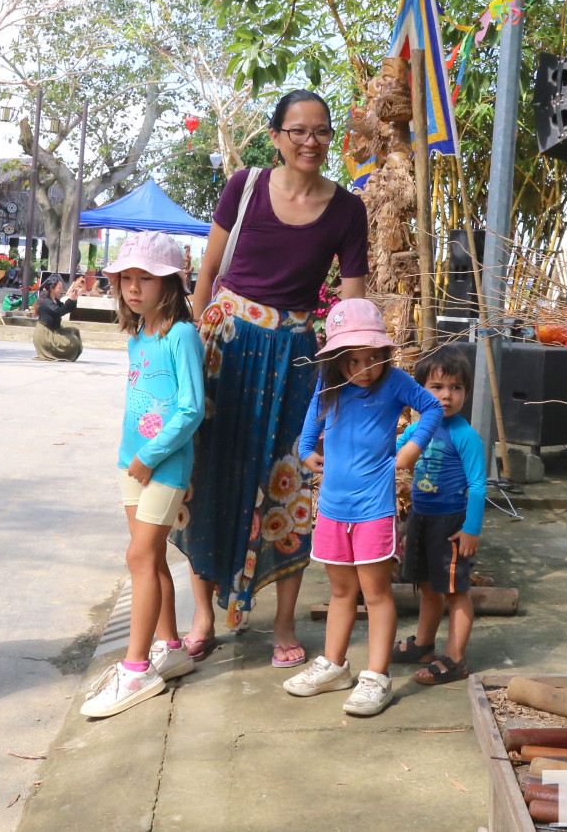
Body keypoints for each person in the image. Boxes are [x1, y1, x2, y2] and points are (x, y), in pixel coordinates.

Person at [171, 89, 369, 667]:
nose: (311, 141)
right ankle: (203, 617)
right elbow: (208, 270)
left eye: (322, 130)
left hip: (297, 361)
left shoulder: (347, 210)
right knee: (208, 475)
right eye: (298, 130)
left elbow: (351, 303)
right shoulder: (245, 186)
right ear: (277, 136)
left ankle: (283, 624)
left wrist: (352, 373)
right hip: (225, 348)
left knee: (293, 483)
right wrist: (189, 349)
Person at [284, 299, 442, 716]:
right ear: (337, 359)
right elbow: (312, 420)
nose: (365, 368)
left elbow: (432, 407)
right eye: (354, 360)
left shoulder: (395, 382)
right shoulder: (329, 384)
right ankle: (334, 666)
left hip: (374, 508)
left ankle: (377, 677)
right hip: (332, 508)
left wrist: (412, 447)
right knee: (340, 591)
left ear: (384, 353)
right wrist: (306, 450)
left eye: (373, 357)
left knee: (375, 593)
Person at [80, 233, 204, 718]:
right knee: (149, 558)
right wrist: (133, 457)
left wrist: (151, 456)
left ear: (169, 284)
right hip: (130, 462)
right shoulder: (138, 336)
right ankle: (169, 648)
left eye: (145, 278)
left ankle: (136, 670)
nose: (133, 287)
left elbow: (191, 408)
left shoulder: (181, 335)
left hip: (162, 464)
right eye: (126, 277)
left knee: (139, 556)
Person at [391, 347, 487, 686]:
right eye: (437, 387)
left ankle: (456, 659)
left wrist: (471, 529)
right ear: (420, 392)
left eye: (456, 388)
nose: (447, 395)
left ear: (466, 393)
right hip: (420, 517)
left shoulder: (465, 436)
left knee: (455, 591)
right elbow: (393, 452)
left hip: (450, 524)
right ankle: (424, 645)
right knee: (427, 586)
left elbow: (478, 485)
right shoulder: (418, 430)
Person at [32, 273, 86, 361]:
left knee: (74, 331)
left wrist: (74, 299)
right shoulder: (46, 302)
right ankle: (59, 354)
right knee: (73, 341)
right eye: (59, 288)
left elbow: (66, 308)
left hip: (55, 330)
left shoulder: (55, 300)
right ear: (52, 288)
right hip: (46, 334)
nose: (61, 290)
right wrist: (70, 299)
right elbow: (59, 312)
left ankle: (68, 355)